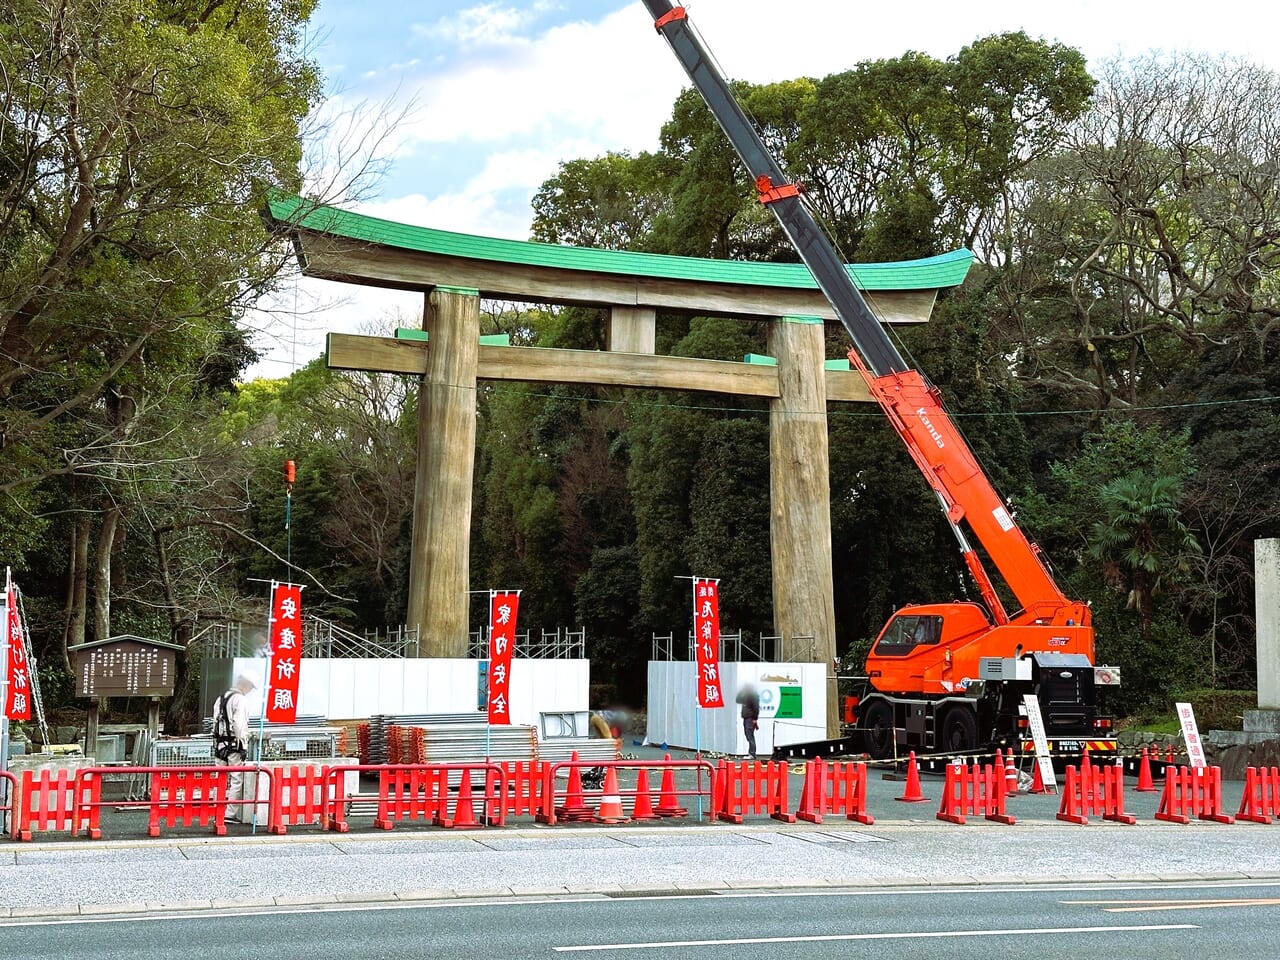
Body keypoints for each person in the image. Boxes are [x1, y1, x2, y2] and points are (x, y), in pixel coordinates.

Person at [212, 671, 258, 822]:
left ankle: (217, 809)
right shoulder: (240, 700)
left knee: (220, 778)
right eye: (250, 687)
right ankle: (230, 813)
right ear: (246, 684)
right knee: (236, 779)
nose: (250, 690)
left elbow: (215, 722)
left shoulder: (220, 698)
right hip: (233, 745)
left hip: (219, 745)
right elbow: (239, 724)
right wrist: (242, 744)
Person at [735, 683, 760, 759]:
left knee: (750, 735)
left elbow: (756, 708)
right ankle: (751, 752)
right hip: (746, 717)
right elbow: (738, 700)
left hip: (750, 718)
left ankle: (752, 753)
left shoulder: (753, 695)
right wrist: (741, 691)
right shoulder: (746, 695)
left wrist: (755, 719)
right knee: (748, 735)